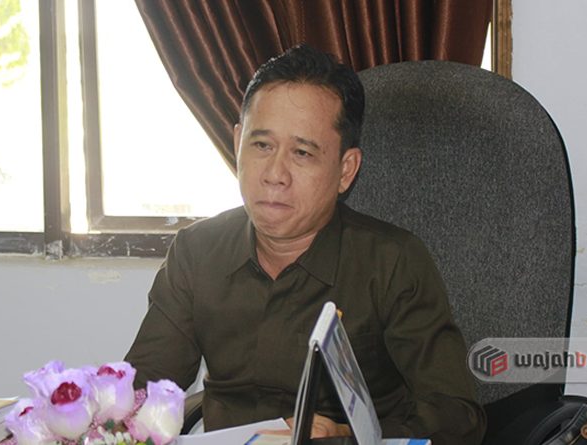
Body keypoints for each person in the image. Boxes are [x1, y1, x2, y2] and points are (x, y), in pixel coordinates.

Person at [124, 44, 486, 444]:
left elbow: (457, 416)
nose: (274, 174)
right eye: (262, 145)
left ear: (345, 170)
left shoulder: (392, 262)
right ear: (238, 142)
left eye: (302, 152)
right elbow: (142, 392)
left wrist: (347, 435)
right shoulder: (196, 251)